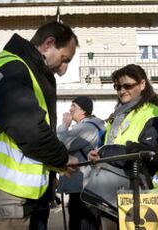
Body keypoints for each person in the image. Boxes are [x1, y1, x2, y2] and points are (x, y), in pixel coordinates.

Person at [0, 21, 79, 230]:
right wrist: (62, 157)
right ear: (48, 44)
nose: (63, 70)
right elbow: (30, 130)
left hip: (10, 201)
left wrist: (55, 166)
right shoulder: (14, 69)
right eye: (64, 60)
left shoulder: (24, 71)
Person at [88, 64, 158, 229]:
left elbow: (151, 155)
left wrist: (105, 152)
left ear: (142, 84)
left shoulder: (153, 113)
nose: (121, 90)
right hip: (110, 190)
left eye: (127, 86)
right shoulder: (119, 114)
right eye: (117, 86)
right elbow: (110, 145)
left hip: (140, 191)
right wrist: (97, 154)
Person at [56, 96, 105, 230]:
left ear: (83, 111)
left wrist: (64, 126)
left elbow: (60, 145)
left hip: (82, 186)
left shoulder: (85, 128)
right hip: (84, 185)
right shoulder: (88, 126)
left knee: (81, 224)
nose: (70, 109)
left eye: (73, 106)